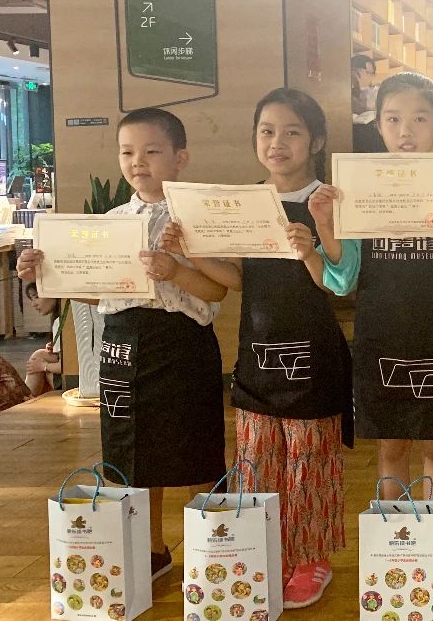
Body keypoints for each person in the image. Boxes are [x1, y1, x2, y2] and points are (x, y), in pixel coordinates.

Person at [18, 107, 228, 582]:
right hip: (122, 345)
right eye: (127, 152)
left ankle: (216, 547)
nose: (138, 162)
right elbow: (102, 292)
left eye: (152, 151)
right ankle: (152, 550)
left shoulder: (196, 218)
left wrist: (175, 270)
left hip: (182, 343)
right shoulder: (111, 221)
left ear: (180, 157)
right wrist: (47, 273)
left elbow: (217, 291)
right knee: (132, 453)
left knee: (197, 446)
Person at [170, 89, 351, 609]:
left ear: (315, 140)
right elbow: (239, 279)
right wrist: (190, 253)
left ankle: (311, 559)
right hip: (257, 351)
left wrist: (314, 246)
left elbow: (341, 284)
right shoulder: (247, 201)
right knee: (257, 461)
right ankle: (266, 553)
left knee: (309, 462)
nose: (278, 143)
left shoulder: (328, 201)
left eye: (292, 132)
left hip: (314, 354)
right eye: (267, 132)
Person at [311, 73, 433, 503]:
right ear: (377, 124)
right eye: (393, 119)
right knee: (391, 446)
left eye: (420, 119)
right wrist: (325, 225)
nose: (406, 131)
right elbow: (343, 278)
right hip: (381, 336)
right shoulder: (358, 190)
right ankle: (395, 539)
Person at [22, 284, 62, 396]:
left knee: (38, 357)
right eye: (32, 299)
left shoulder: (61, 321)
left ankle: (27, 398)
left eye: (36, 297)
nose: (33, 304)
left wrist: (43, 366)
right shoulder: (60, 318)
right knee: (40, 355)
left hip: (76, 381)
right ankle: (28, 397)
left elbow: (68, 365)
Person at [351, 54, 386, 153]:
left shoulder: (379, 92)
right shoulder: (345, 94)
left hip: (376, 139)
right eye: (356, 73)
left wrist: (363, 88)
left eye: (369, 73)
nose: (359, 77)